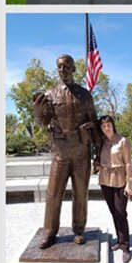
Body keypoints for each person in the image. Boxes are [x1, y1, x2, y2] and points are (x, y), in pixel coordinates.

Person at [31, 54, 103, 249]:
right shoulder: (50, 95)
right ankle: (49, 232)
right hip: (60, 153)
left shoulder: (84, 95)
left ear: (73, 69)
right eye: (59, 67)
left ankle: (79, 230)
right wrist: (38, 114)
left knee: (81, 194)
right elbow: (43, 122)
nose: (62, 70)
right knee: (53, 194)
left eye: (66, 67)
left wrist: (98, 155)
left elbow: (94, 124)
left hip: (81, 152)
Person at [96, 115, 132, 263]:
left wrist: (129, 184)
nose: (107, 128)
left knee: (121, 212)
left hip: (119, 181)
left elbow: (129, 164)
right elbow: (99, 161)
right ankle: (120, 239)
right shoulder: (101, 143)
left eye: (109, 124)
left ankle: (126, 247)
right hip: (105, 180)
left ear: (113, 125)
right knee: (113, 212)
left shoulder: (122, 141)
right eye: (104, 126)